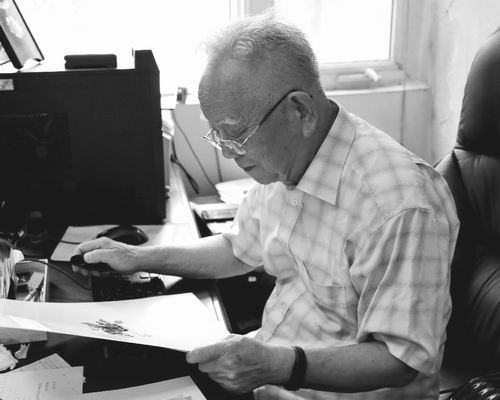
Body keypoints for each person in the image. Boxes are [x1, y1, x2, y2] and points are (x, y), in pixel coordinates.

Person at [73, 13, 459, 400]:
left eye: (236, 134)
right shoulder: (285, 162)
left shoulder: (398, 204)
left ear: (301, 111)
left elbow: (399, 359)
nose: (227, 153)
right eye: (217, 135)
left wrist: (276, 364)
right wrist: (138, 258)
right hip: (267, 376)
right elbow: (236, 249)